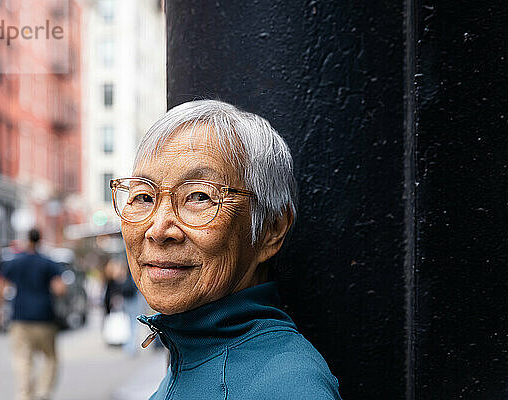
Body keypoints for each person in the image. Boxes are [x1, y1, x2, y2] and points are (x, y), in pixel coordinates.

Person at [110, 100, 342, 399]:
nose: (157, 230)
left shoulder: (286, 387)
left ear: (272, 228)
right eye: (143, 197)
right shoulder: (195, 353)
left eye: (198, 196)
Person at [0, 228, 66, 400]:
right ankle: (43, 392)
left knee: (22, 360)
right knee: (50, 358)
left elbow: (0, 287)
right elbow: (60, 289)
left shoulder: (15, 262)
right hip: (44, 318)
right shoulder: (48, 263)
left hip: (20, 319)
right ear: (40, 240)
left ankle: (24, 395)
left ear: (27, 240)